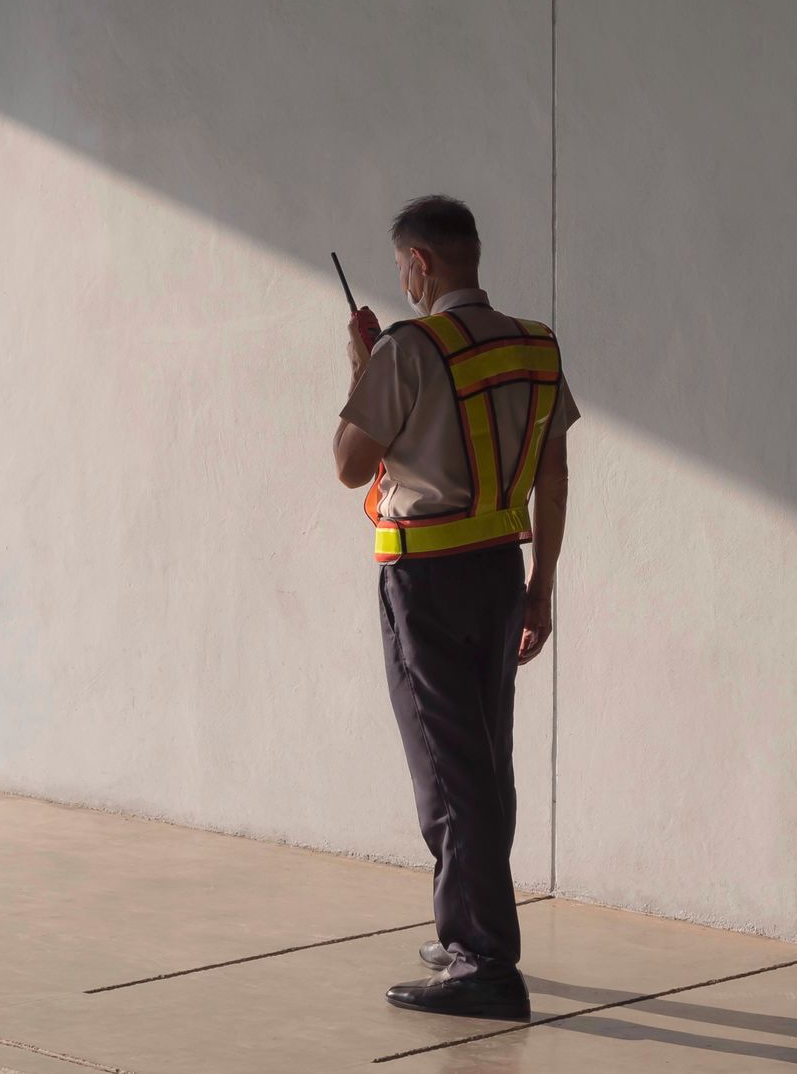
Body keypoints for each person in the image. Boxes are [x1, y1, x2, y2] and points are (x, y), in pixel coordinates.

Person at [332, 195, 577, 1019]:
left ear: (421, 264)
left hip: (426, 580)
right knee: (485, 759)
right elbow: (553, 474)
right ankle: (470, 926)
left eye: (403, 265)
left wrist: (363, 367)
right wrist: (542, 583)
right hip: (501, 575)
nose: (402, 278)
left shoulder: (409, 349)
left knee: (447, 765)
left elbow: (347, 463)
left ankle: (482, 963)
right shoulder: (535, 346)